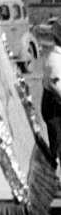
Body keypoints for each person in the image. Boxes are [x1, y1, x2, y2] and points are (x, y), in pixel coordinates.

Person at [42, 20, 61, 167]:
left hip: (55, 105)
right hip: (54, 107)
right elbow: (54, 84)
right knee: (57, 145)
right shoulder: (55, 59)